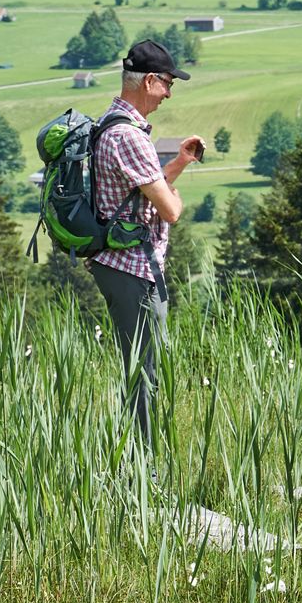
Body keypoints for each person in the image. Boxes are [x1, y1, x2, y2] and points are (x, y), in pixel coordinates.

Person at [86, 39, 203, 446]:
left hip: (119, 264)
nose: (169, 93)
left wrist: (177, 164)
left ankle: (141, 465)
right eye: (168, 83)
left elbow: (135, 193)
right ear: (150, 80)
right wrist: (177, 199)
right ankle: (142, 473)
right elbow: (170, 211)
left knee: (144, 367)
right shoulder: (130, 136)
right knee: (144, 371)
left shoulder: (110, 125)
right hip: (132, 267)